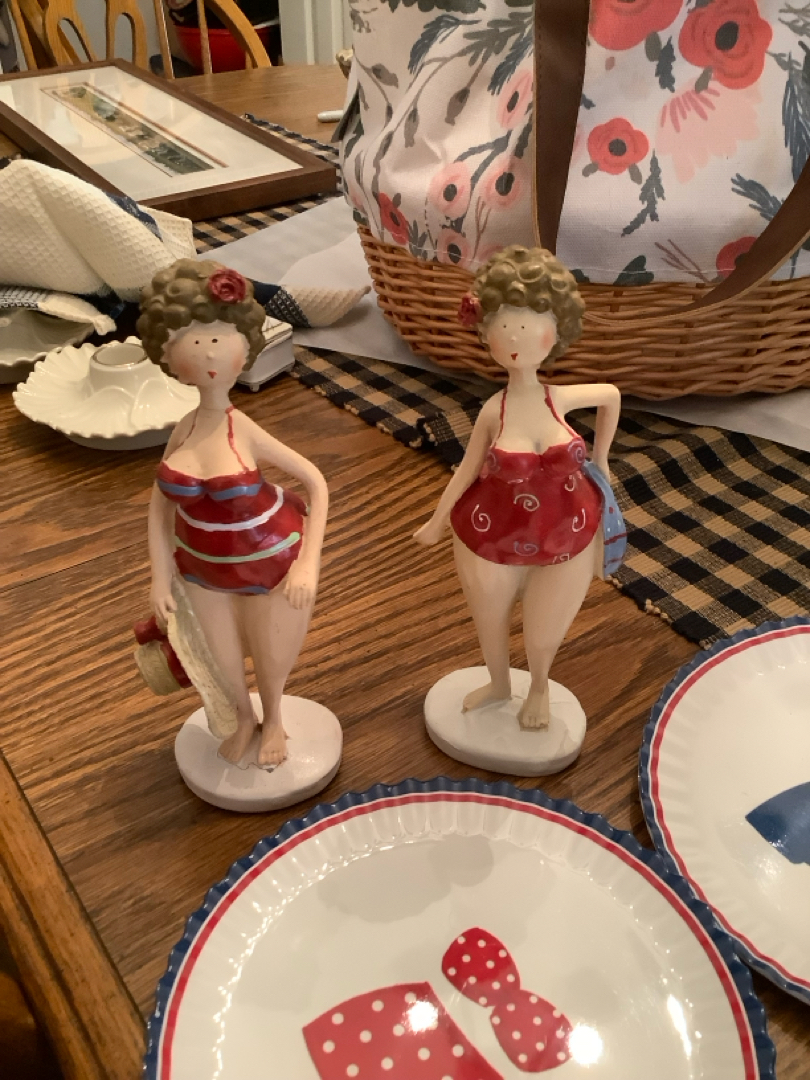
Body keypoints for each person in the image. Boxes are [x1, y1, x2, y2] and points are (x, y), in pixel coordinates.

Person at [415, 245, 621, 730]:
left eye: (528, 326)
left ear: (557, 328)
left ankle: (540, 686)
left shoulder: (560, 398)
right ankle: (499, 683)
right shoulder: (495, 410)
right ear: (485, 331)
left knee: (545, 632)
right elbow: (466, 471)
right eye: (504, 326)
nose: (515, 338)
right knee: (489, 618)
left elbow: (611, 396)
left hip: (567, 529)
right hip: (492, 531)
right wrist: (436, 522)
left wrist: (603, 460)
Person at [138, 259, 328, 767]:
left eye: (220, 337)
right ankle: (244, 719)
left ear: (245, 344)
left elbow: (315, 481)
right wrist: (159, 577)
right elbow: (158, 510)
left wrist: (308, 564)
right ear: (166, 353)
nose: (208, 351)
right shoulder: (183, 429)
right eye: (193, 339)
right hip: (201, 567)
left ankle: (275, 719)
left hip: (270, 561)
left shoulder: (242, 427)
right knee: (221, 660)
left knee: (270, 655)